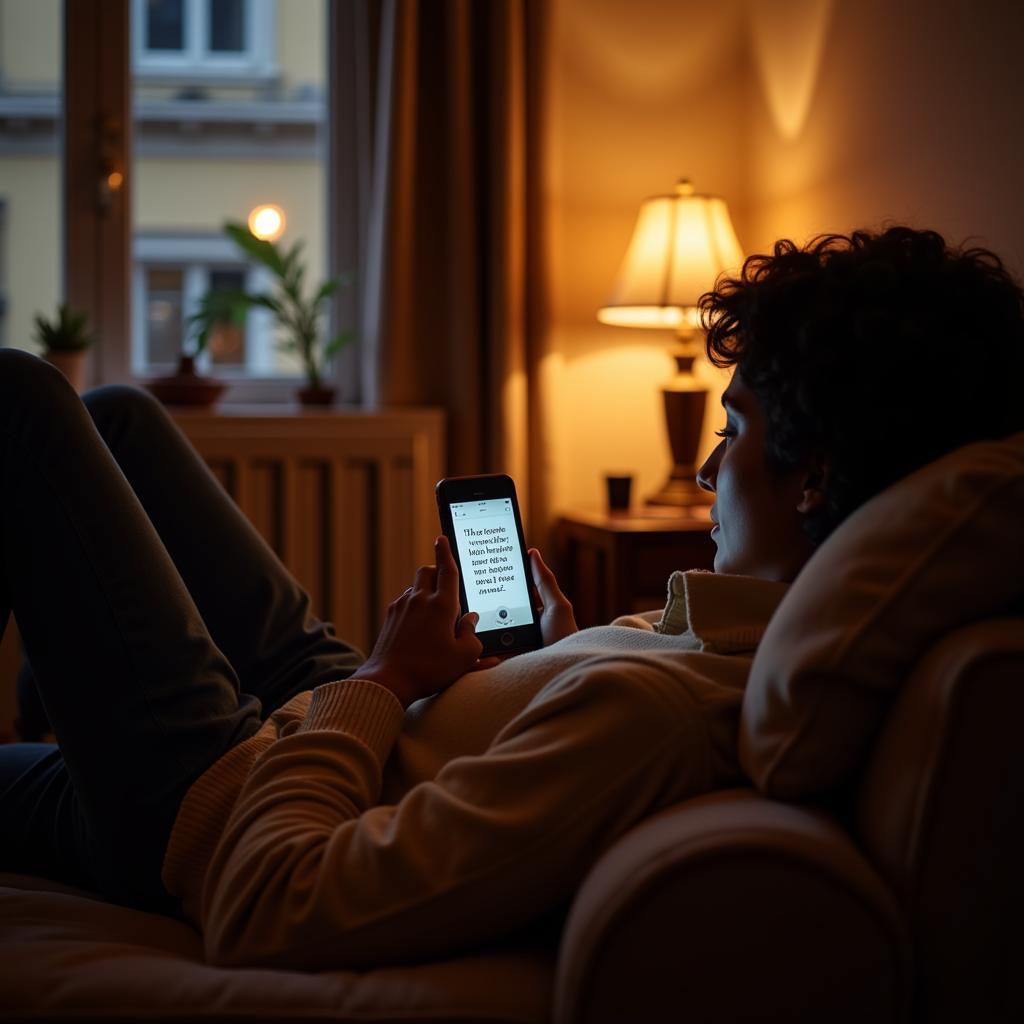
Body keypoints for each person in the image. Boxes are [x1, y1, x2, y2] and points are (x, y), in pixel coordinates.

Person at [1, 226, 1022, 970]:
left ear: (814, 476)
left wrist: (382, 677)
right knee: (121, 416)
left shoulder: (657, 717)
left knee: (23, 403)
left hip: (216, 796)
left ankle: (86, 754)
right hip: (339, 713)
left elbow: (271, 901)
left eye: (738, 428)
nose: (707, 468)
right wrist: (549, 657)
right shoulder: (715, 646)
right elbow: (551, 727)